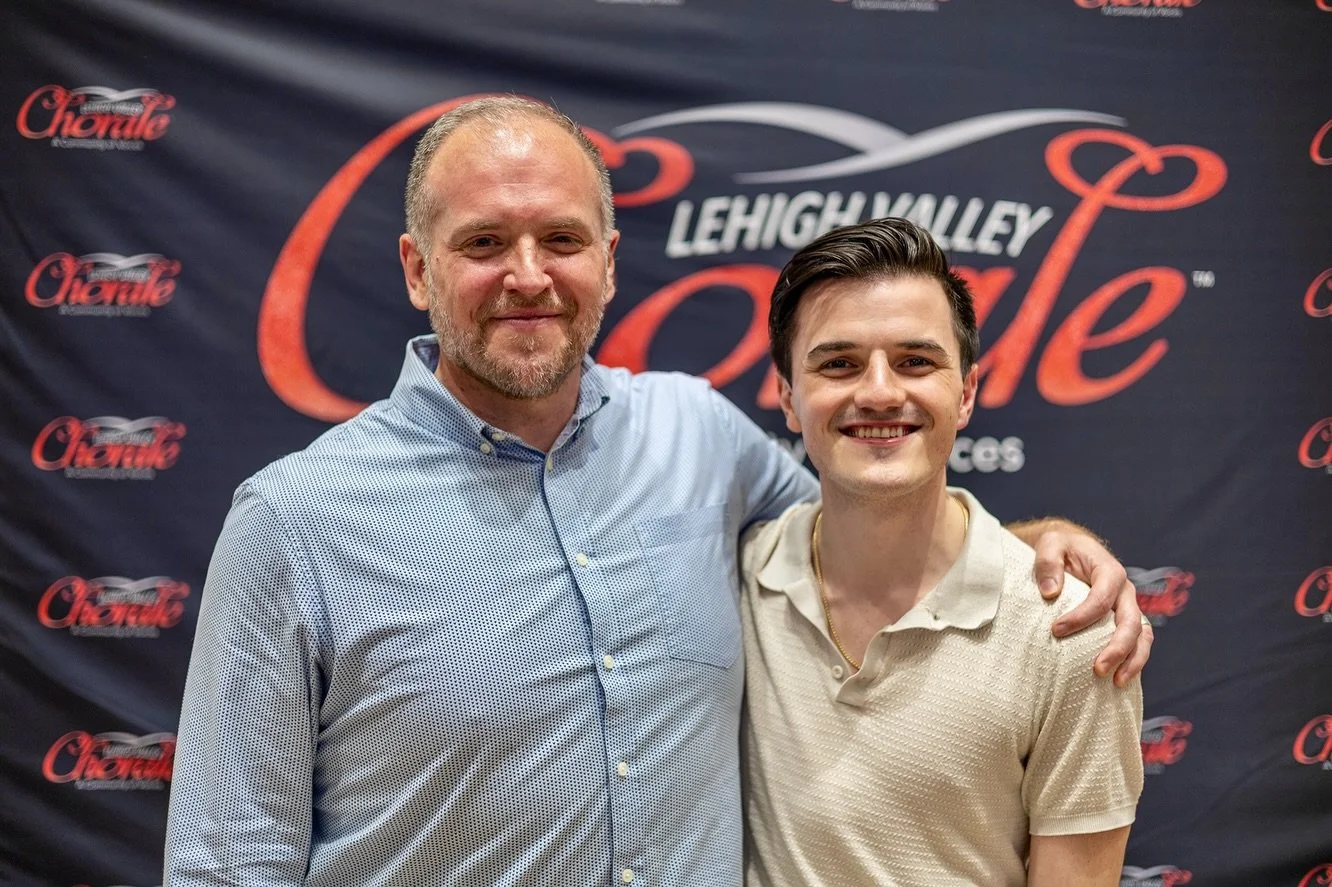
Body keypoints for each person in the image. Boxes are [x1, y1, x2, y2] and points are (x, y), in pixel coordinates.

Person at [164, 98, 1148, 886]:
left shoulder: (697, 432)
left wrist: (1038, 543)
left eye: (561, 238)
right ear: (418, 269)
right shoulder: (294, 522)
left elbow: (875, 508)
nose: (528, 275)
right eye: (482, 244)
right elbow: (225, 862)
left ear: (608, 261)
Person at [741, 217, 1144, 887]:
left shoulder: (1070, 633)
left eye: (915, 361)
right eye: (838, 362)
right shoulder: (735, 574)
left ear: (966, 392)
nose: (877, 391)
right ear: (788, 396)